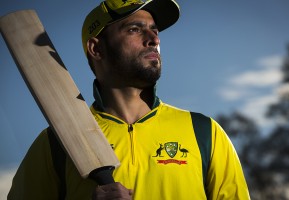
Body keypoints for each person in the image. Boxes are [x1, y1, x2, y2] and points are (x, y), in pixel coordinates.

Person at [8, 0, 250, 199]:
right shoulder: (55, 143)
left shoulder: (204, 132)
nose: (154, 39)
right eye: (135, 29)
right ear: (96, 49)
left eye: (154, 30)